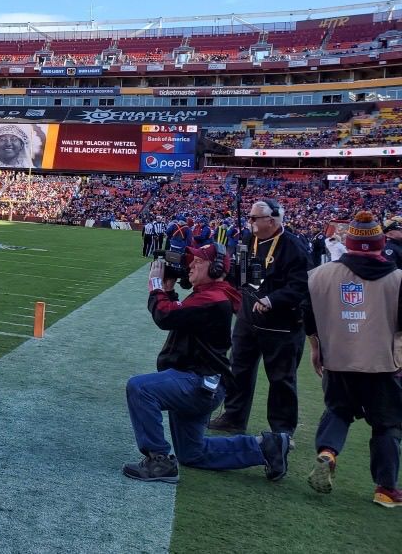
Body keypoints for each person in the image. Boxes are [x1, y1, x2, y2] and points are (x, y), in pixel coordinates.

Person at [123, 243, 292, 483]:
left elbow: (166, 316)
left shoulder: (212, 298)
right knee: (192, 453)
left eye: (198, 261)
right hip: (204, 382)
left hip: (197, 382)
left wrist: (157, 286)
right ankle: (267, 447)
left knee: (140, 388)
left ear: (214, 268)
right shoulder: (213, 294)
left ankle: (158, 460)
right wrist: (168, 291)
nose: (190, 265)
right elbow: (179, 317)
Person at [303, 211, 402, 508]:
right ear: (380, 242)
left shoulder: (319, 275)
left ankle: (328, 452)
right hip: (383, 363)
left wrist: (315, 348)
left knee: (338, 410)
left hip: (337, 358)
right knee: (387, 425)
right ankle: (385, 489)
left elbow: (309, 318)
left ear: (348, 243)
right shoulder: (398, 278)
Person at [209, 199, 310, 436]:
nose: (249, 221)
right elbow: (243, 277)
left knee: (281, 379)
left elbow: (303, 285)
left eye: (254, 218)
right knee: (238, 369)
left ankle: (282, 430)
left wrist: (273, 300)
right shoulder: (248, 240)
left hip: (282, 325)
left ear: (272, 221)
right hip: (248, 318)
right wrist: (223, 276)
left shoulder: (294, 247)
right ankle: (234, 417)